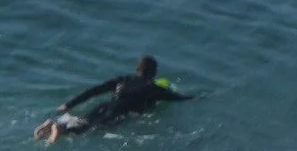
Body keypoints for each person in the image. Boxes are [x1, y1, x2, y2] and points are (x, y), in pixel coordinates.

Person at [35, 55, 190, 141]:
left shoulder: (122, 80)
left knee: (85, 120)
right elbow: (179, 98)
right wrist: (195, 98)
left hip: (105, 106)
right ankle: (59, 129)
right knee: (92, 129)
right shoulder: (154, 89)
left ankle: (55, 124)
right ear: (154, 73)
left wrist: (68, 105)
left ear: (137, 69)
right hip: (119, 113)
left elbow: (93, 91)